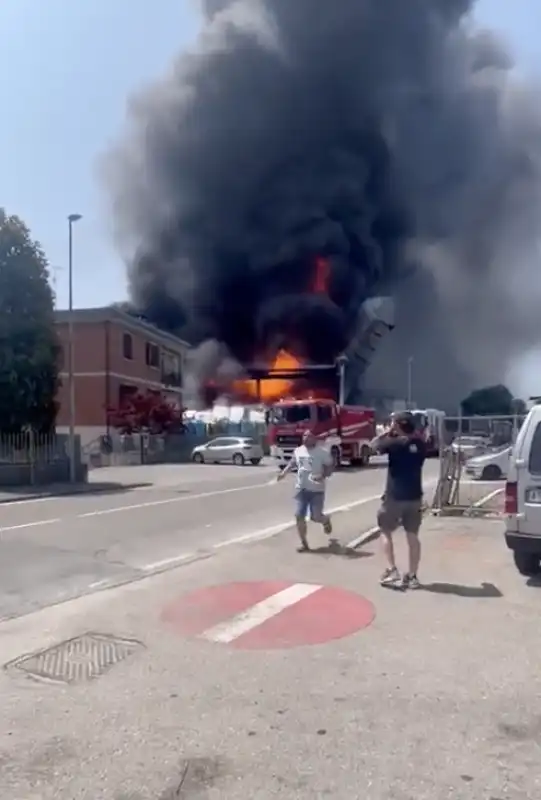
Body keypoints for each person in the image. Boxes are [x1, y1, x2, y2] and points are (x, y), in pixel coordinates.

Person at [370, 411, 426, 589]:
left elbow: (373, 445)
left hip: (394, 496)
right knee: (412, 536)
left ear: (398, 425)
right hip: (415, 496)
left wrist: (388, 431)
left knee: (385, 531)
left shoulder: (393, 443)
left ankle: (392, 569)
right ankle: (413, 576)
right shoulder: (420, 444)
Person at [277, 430, 333, 551]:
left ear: (315, 439)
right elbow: (292, 463)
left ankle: (325, 520)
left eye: (309, 436)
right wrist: (283, 473)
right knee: (299, 516)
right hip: (301, 489)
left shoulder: (322, 452)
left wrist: (322, 475)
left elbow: (330, 466)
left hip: (317, 490)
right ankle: (304, 544)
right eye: (304, 435)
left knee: (315, 517)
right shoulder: (298, 450)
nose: (306, 437)